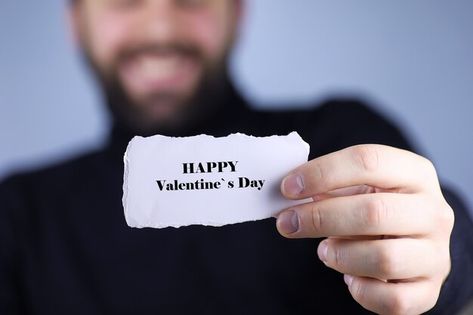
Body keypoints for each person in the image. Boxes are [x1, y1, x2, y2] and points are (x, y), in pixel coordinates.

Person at [1, 0, 472, 314]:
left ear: (237, 12)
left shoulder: (340, 140)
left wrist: (436, 259)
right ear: (75, 22)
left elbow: (448, 240)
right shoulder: (19, 214)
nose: (161, 25)